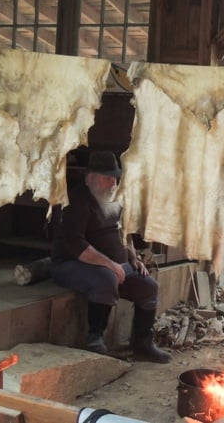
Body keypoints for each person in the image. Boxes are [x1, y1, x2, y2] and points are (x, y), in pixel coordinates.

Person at [50, 151, 171, 363]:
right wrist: (112, 265)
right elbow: (77, 245)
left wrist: (133, 258)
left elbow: (123, 231)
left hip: (114, 266)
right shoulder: (75, 202)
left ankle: (142, 342)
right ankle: (95, 339)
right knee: (106, 279)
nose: (113, 183)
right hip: (71, 264)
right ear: (90, 178)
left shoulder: (113, 199)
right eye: (107, 178)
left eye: (115, 178)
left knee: (148, 286)